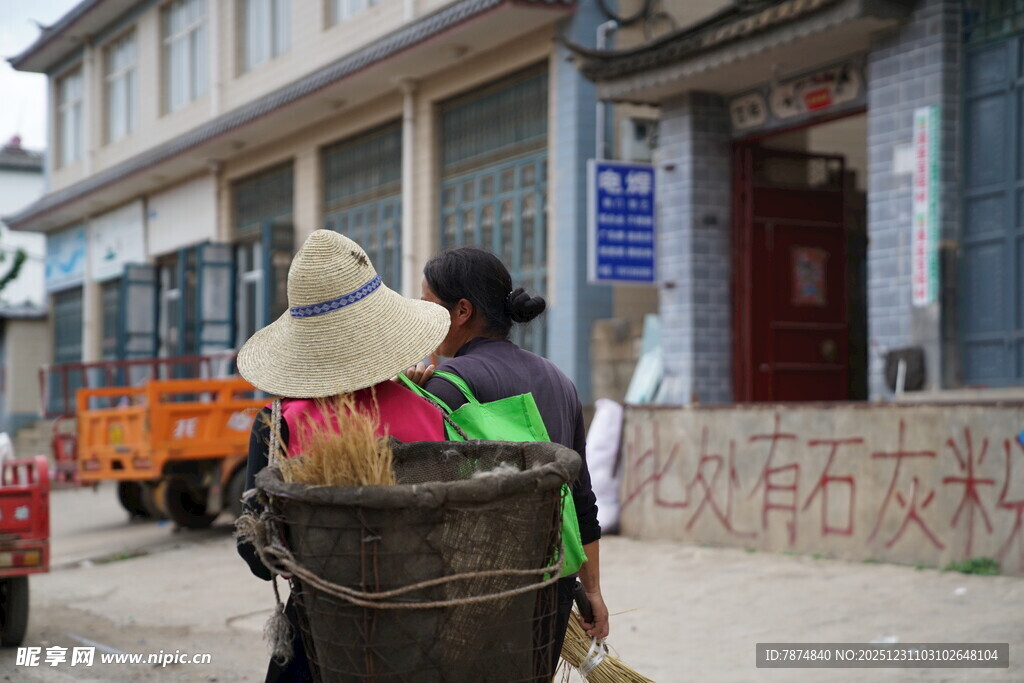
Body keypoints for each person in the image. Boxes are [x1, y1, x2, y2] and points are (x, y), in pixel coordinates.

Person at [235, 229, 451, 682]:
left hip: (321, 640)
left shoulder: (277, 423)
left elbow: (257, 557)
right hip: (421, 636)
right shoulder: (431, 412)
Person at [408, 246, 610, 673]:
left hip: (481, 590)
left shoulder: (448, 386)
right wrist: (592, 592)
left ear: (462, 311)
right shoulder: (561, 382)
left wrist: (412, 400)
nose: (422, 318)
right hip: (553, 584)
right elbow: (581, 499)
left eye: (428, 305)